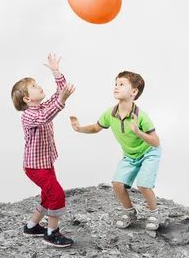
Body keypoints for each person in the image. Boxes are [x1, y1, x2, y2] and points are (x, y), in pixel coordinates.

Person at [69, 71, 163, 230]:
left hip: (149, 153)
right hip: (130, 155)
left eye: (121, 84)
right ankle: (130, 212)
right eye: (115, 84)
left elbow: (155, 142)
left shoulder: (141, 116)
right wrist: (79, 129)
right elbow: (96, 127)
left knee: (143, 185)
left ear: (134, 92)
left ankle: (155, 213)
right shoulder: (110, 114)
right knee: (117, 184)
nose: (116, 87)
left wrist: (138, 132)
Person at [10, 53, 75, 247]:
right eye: (35, 86)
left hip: (46, 163)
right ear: (27, 98)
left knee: (48, 196)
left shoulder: (43, 106)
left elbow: (60, 93)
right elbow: (47, 115)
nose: (40, 87)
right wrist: (61, 100)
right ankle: (51, 233)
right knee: (57, 195)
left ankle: (31, 226)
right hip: (35, 167)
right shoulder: (28, 116)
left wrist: (56, 71)